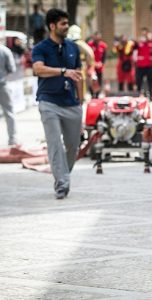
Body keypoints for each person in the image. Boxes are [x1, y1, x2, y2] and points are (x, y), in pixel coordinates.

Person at [31, 8, 84, 199]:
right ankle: (62, 183)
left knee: (73, 145)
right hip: (48, 102)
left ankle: (64, 175)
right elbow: (38, 69)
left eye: (67, 23)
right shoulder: (40, 48)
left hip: (71, 103)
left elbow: (78, 76)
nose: (66, 26)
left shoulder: (73, 48)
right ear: (52, 26)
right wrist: (63, 71)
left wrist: (81, 105)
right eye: (63, 23)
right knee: (55, 144)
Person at [67, 25, 96, 97]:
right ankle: (81, 97)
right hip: (80, 67)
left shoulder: (67, 44)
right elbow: (90, 55)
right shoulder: (82, 45)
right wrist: (89, 64)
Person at [0, 41, 17, 146]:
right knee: (9, 113)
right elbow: (12, 69)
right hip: (2, 84)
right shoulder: (5, 50)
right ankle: (12, 138)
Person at [134, 28, 152, 98]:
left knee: (150, 81)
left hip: (149, 65)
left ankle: (151, 96)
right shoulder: (139, 43)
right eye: (143, 34)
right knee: (139, 81)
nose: (144, 35)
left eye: (146, 34)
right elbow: (134, 52)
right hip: (140, 66)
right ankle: (138, 96)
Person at [87, 32, 107, 98]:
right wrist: (92, 64)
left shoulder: (103, 46)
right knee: (92, 81)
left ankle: (97, 95)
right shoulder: (89, 45)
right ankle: (92, 94)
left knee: (99, 81)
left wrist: (101, 63)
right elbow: (87, 56)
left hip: (99, 67)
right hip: (92, 67)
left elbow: (104, 56)